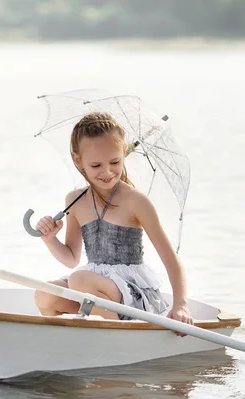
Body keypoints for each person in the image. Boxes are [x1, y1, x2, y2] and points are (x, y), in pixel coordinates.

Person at [34, 111, 193, 328]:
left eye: (115, 161)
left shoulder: (135, 201)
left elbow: (171, 260)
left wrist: (181, 305)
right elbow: (71, 258)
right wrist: (50, 239)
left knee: (79, 279)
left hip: (131, 294)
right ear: (77, 160)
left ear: (124, 154)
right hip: (92, 285)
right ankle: (72, 338)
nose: (107, 172)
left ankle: (113, 336)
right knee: (45, 293)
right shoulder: (75, 200)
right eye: (96, 166)